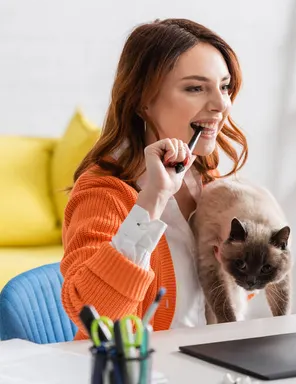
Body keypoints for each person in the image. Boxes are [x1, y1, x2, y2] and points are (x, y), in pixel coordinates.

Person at [60, 18, 248, 340]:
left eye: (224, 86)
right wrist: (152, 201)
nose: (221, 104)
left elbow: (228, 299)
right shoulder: (104, 193)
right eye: (195, 88)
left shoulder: (208, 180)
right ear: (143, 100)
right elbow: (92, 314)